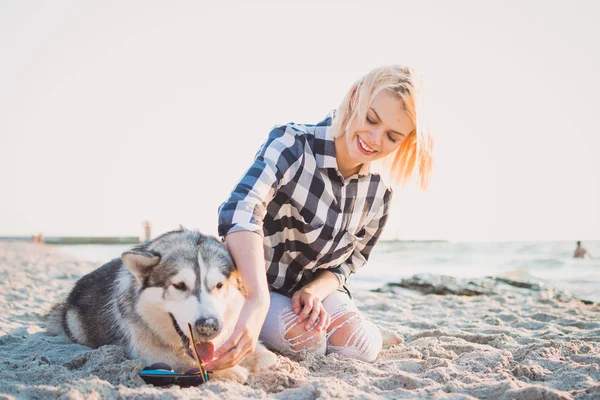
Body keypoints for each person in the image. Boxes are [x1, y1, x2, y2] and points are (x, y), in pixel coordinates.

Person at [206, 66, 433, 371]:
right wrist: (257, 300)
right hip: (257, 286)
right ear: (354, 99)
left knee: (360, 349)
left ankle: (372, 331)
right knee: (307, 343)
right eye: (371, 119)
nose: (374, 139)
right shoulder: (292, 143)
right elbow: (240, 210)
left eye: (392, 136)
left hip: (317, 295)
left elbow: (350, 261)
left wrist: (313, 291)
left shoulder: (380, 190)